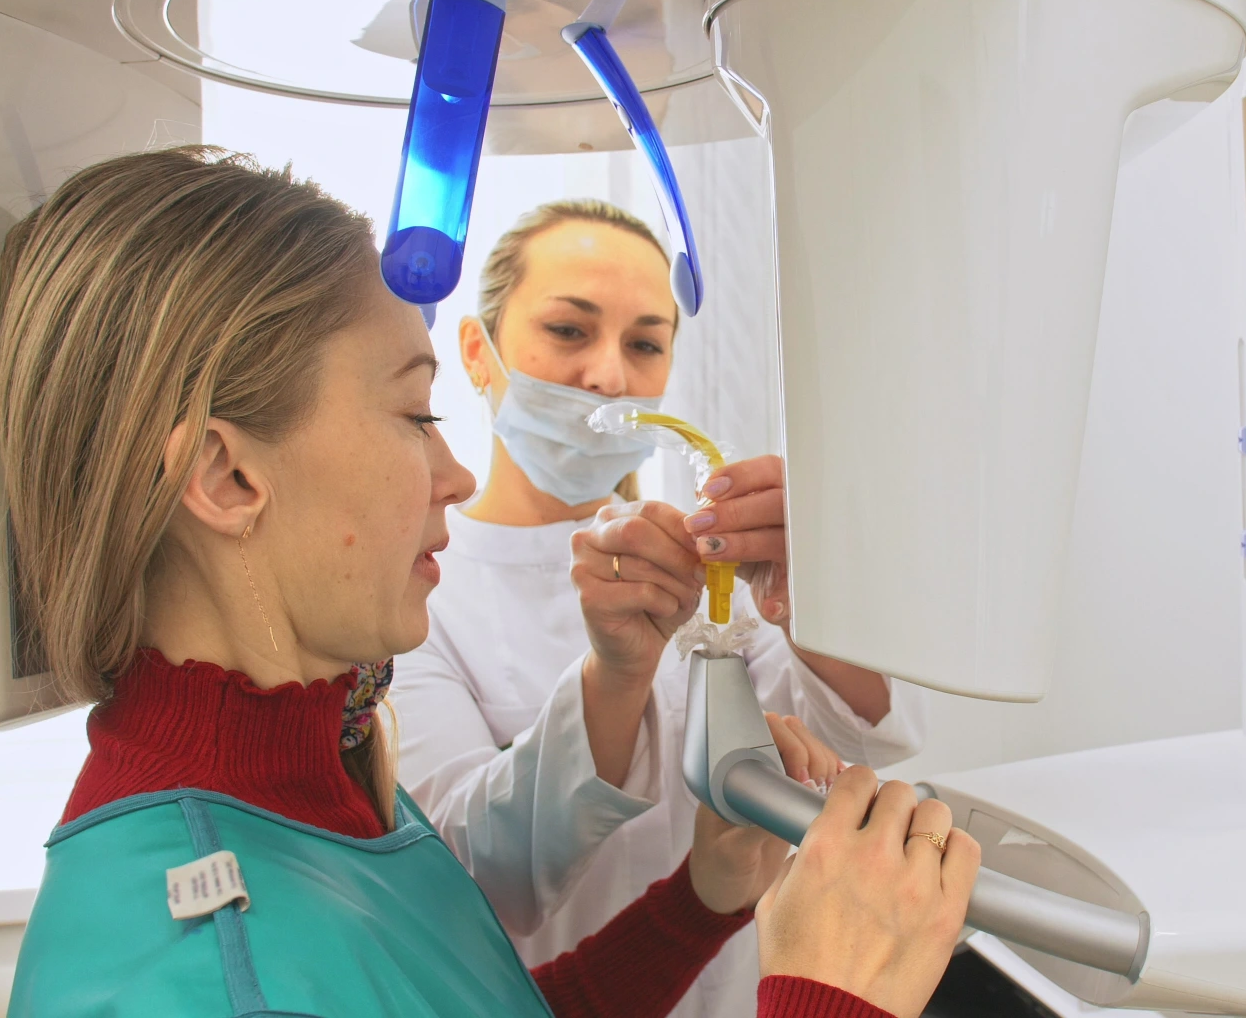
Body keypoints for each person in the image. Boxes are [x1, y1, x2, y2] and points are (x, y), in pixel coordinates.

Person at [0, 146, 979, 1018]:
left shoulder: (326, 768)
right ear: (225, 477)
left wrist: (706, 897)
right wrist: (827, 1000)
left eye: (646, 342)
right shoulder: (212, 965)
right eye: (416, 417)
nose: (455, 473)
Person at [390, 200, 928, 1017]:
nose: (610, 376)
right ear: (477, 350)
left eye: (645, 344)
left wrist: (807, 594)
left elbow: (853, 741)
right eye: (570, 331)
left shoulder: (701, 568)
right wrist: (616, 675)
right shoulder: (419, 588)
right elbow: (474, 875)